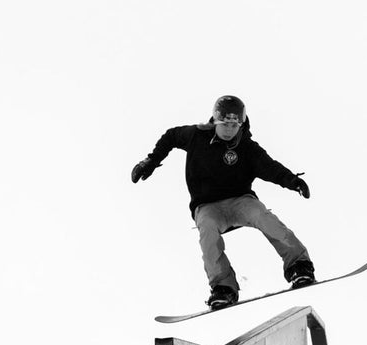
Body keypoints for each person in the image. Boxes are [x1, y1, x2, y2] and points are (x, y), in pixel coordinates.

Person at [131, 95, 316, 309]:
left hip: (240, 201)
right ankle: (224, 287)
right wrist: (151, 161)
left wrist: (294, 182)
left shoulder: (247, 147)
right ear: (215, 122)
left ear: (241, 124)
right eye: (225, 124)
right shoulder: (195, 136)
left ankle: (299, 266)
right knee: (207, 230)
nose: (229, 130)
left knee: (262, 216)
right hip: (207, 206)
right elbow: (170, 136)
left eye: (235, 125)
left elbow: (270, 167)